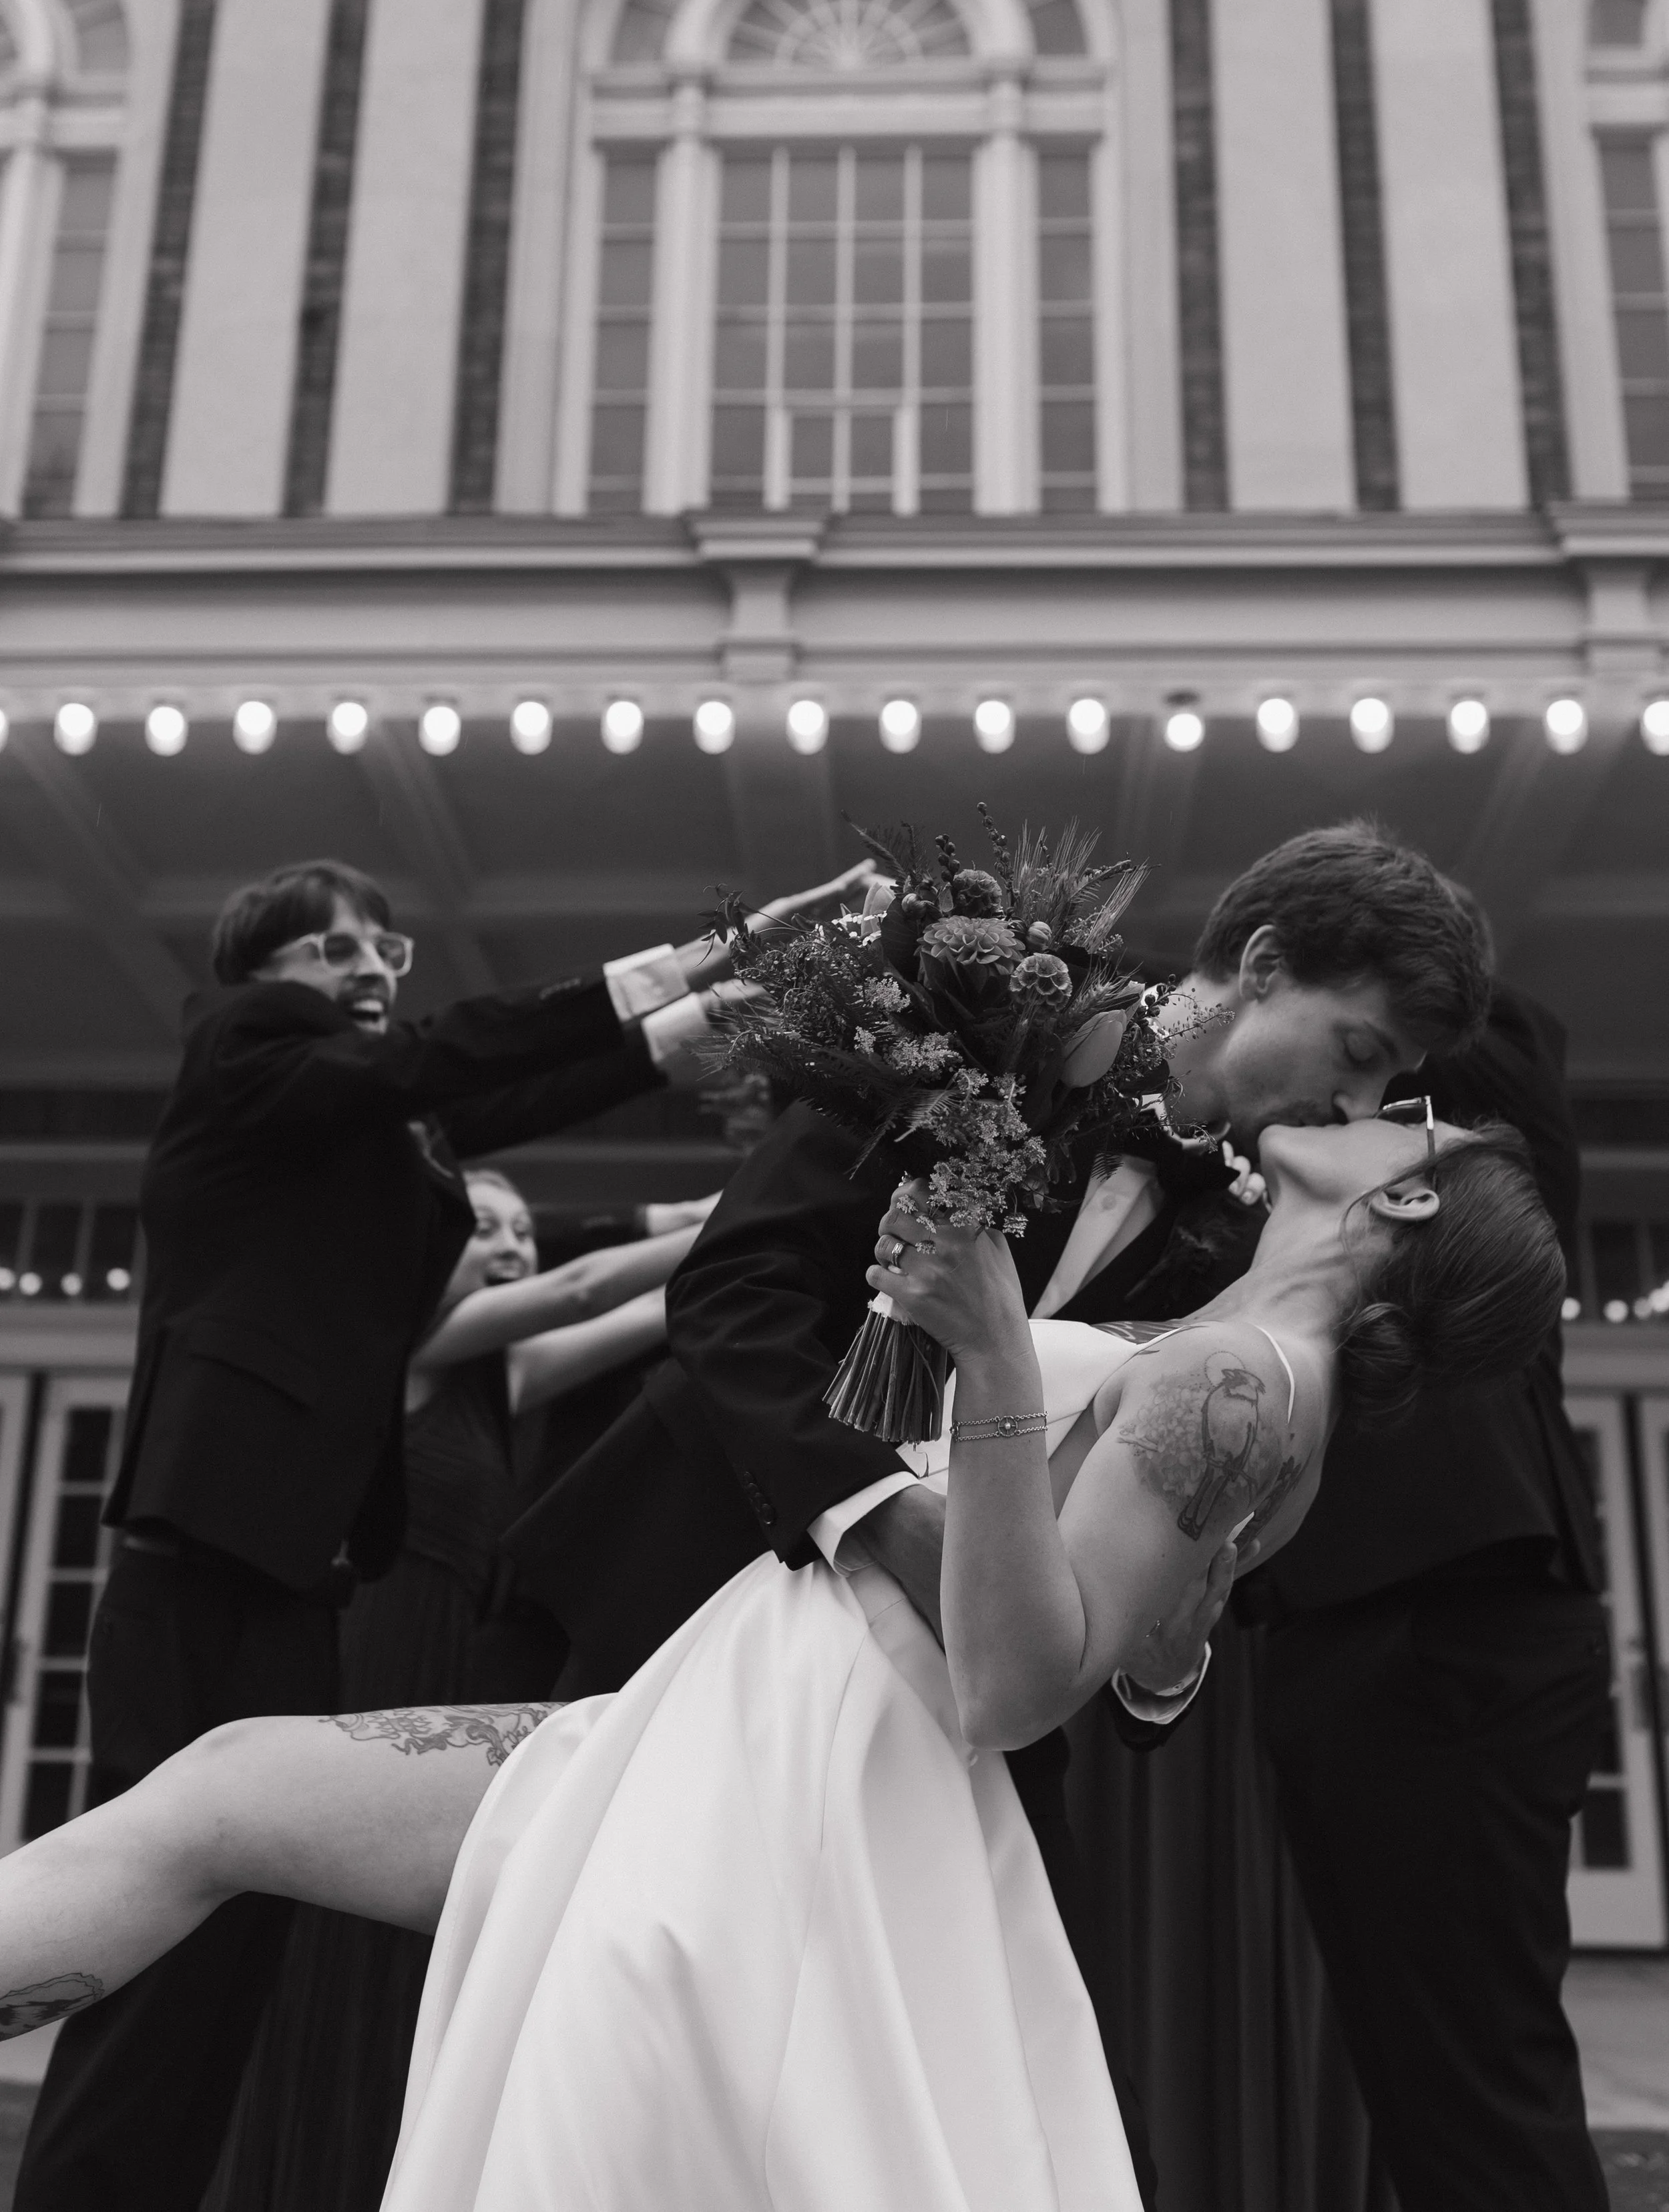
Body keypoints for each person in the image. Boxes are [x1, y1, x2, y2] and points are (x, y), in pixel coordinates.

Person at [0, 1105, 1566, 2212]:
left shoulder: (1234, 1374)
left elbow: (1016, 1683)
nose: (1366, 1103)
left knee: (232, 1805)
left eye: (1403, 1119)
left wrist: (996, 1350)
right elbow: (1137, 1648)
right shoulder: (1250, 1375)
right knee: (222, 1794)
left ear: (1408, 1200)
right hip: (747, 1714)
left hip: (810, 1778)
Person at [503, 819, 1490, 2205]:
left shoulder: (1248, 1245)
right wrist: (884, 1523)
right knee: (606, 2034)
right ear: (1261, 965)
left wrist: (1161, 1656)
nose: (1354, 1105)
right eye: (1355, 1053)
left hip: (951, 1706)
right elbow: (733, 1295)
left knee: (1014, 2109)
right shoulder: (981, 1006)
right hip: (679, 1589)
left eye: (1385, 1084)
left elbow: (1167, 1586)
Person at [14, 851, 869, 2212]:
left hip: (299, 1561)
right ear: (261, 982)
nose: (362, 966)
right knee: (160, 1922)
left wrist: (746, 996)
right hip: (206, 1536)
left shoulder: (366, 1131)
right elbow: (446, 1062)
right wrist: (699, 953)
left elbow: (518, 1105)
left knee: (232, 1937)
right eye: (325, 949)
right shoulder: (241, 1043)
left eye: (380, 946)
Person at [210, 1166, 708, 2212]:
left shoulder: (506, 1373)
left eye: (526, 1229)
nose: (513, 1245)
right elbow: (587, 1290)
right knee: (342, 1915)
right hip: (378, 1644)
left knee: (418, 1932)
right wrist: (751, 1204)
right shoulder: (409, 1347)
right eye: (484, 1227)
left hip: (454, 1664)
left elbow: (677, 1310)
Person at [1242, 971, 1610, 2211]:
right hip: (1350, 1641)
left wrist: (1335, 950)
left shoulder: (1485, 1175)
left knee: (1476, 2087)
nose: (1353, 1097)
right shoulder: (1299, 1217)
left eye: (1381, 1075)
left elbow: (1471, 1009)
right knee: (1415, 2081)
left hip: (1460, 1633)